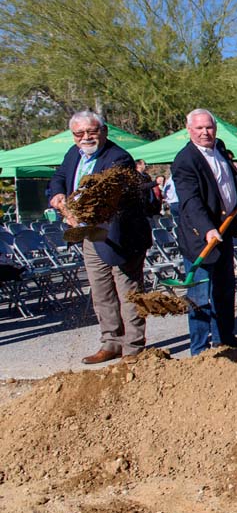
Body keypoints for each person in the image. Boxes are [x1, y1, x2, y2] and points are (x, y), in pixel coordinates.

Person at [48, 111, 156, 364]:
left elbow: (104, 195)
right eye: (79, 133)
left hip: (121, 235)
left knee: (128, 293)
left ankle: (133, 348)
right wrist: (57, 195)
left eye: (91, 132)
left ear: (104, 131)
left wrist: (73, 209)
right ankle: (110, 342)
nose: (86, 137)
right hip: (90, 236)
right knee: (101, 293)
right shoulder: (73, 154)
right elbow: (59, 178)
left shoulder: (119, 158)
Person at [170, 110, 237, 355]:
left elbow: (231, 181)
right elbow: (190, 201)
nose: (205, 132)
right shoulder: (185, 160)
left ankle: (224, 337)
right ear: (189, 130)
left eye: (209, 128)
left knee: (225, 288)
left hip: (225, 230)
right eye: (199, 129)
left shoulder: (220, 149)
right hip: (200, 237)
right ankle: (198, 348)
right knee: (199, 295)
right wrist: (207, 229)